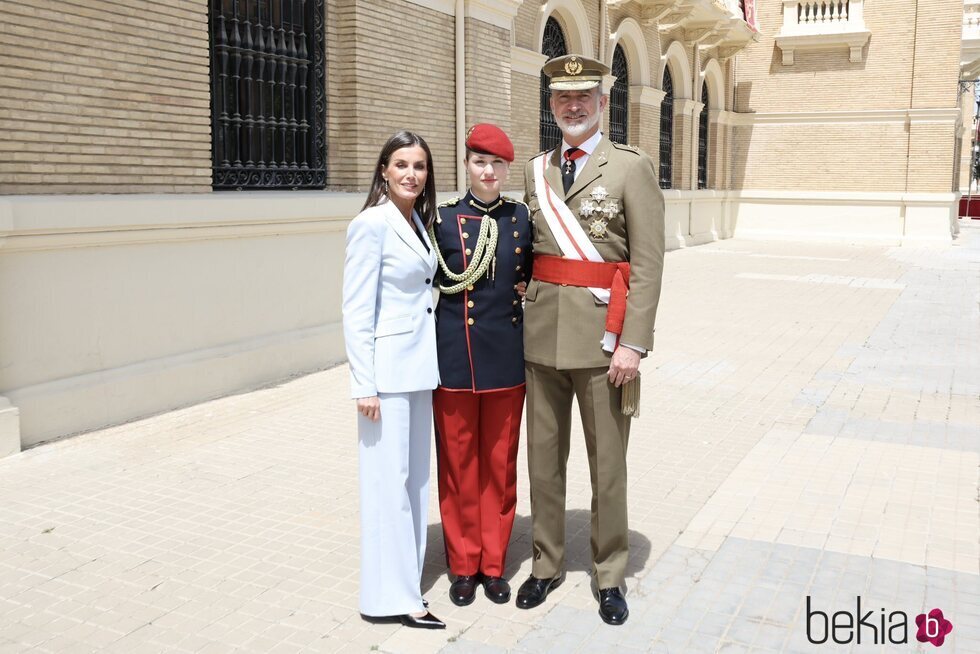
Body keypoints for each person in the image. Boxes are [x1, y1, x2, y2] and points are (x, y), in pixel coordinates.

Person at [515, 55, 666, 626]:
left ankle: (609, 574)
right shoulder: (535, 172)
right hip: (541, 338)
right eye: (561, 98)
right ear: (552, 106)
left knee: (608, 466)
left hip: (606, 345)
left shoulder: (630, 167)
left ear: (603, 102)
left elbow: (648, 266)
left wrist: (634, 343)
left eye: (583, 97)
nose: (572, 106)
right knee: (543, 462)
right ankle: (547, 563)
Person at [342, 130, 445, 629]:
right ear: (383, 170)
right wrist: (363, 384)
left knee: (414, 483)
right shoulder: (371, 224)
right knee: (388, 486)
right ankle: (395, 599)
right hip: (385, 377)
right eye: (401, 164)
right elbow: (356, 310)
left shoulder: (419, 223)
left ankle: (404, 584)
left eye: (419, 166)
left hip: (420, 370)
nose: (410, 174)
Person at [428, 124, 533, 607]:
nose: (488, 172)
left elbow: (534, 276)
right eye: (479, 162)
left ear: (507, 169)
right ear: (466, 164)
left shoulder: (521, 218)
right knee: (457, 467)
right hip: (454, 359)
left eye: (497, 164)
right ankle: (463, 564)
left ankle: (494, 565)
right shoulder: (442, 219)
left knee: (499, 466)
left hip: (507, 359)